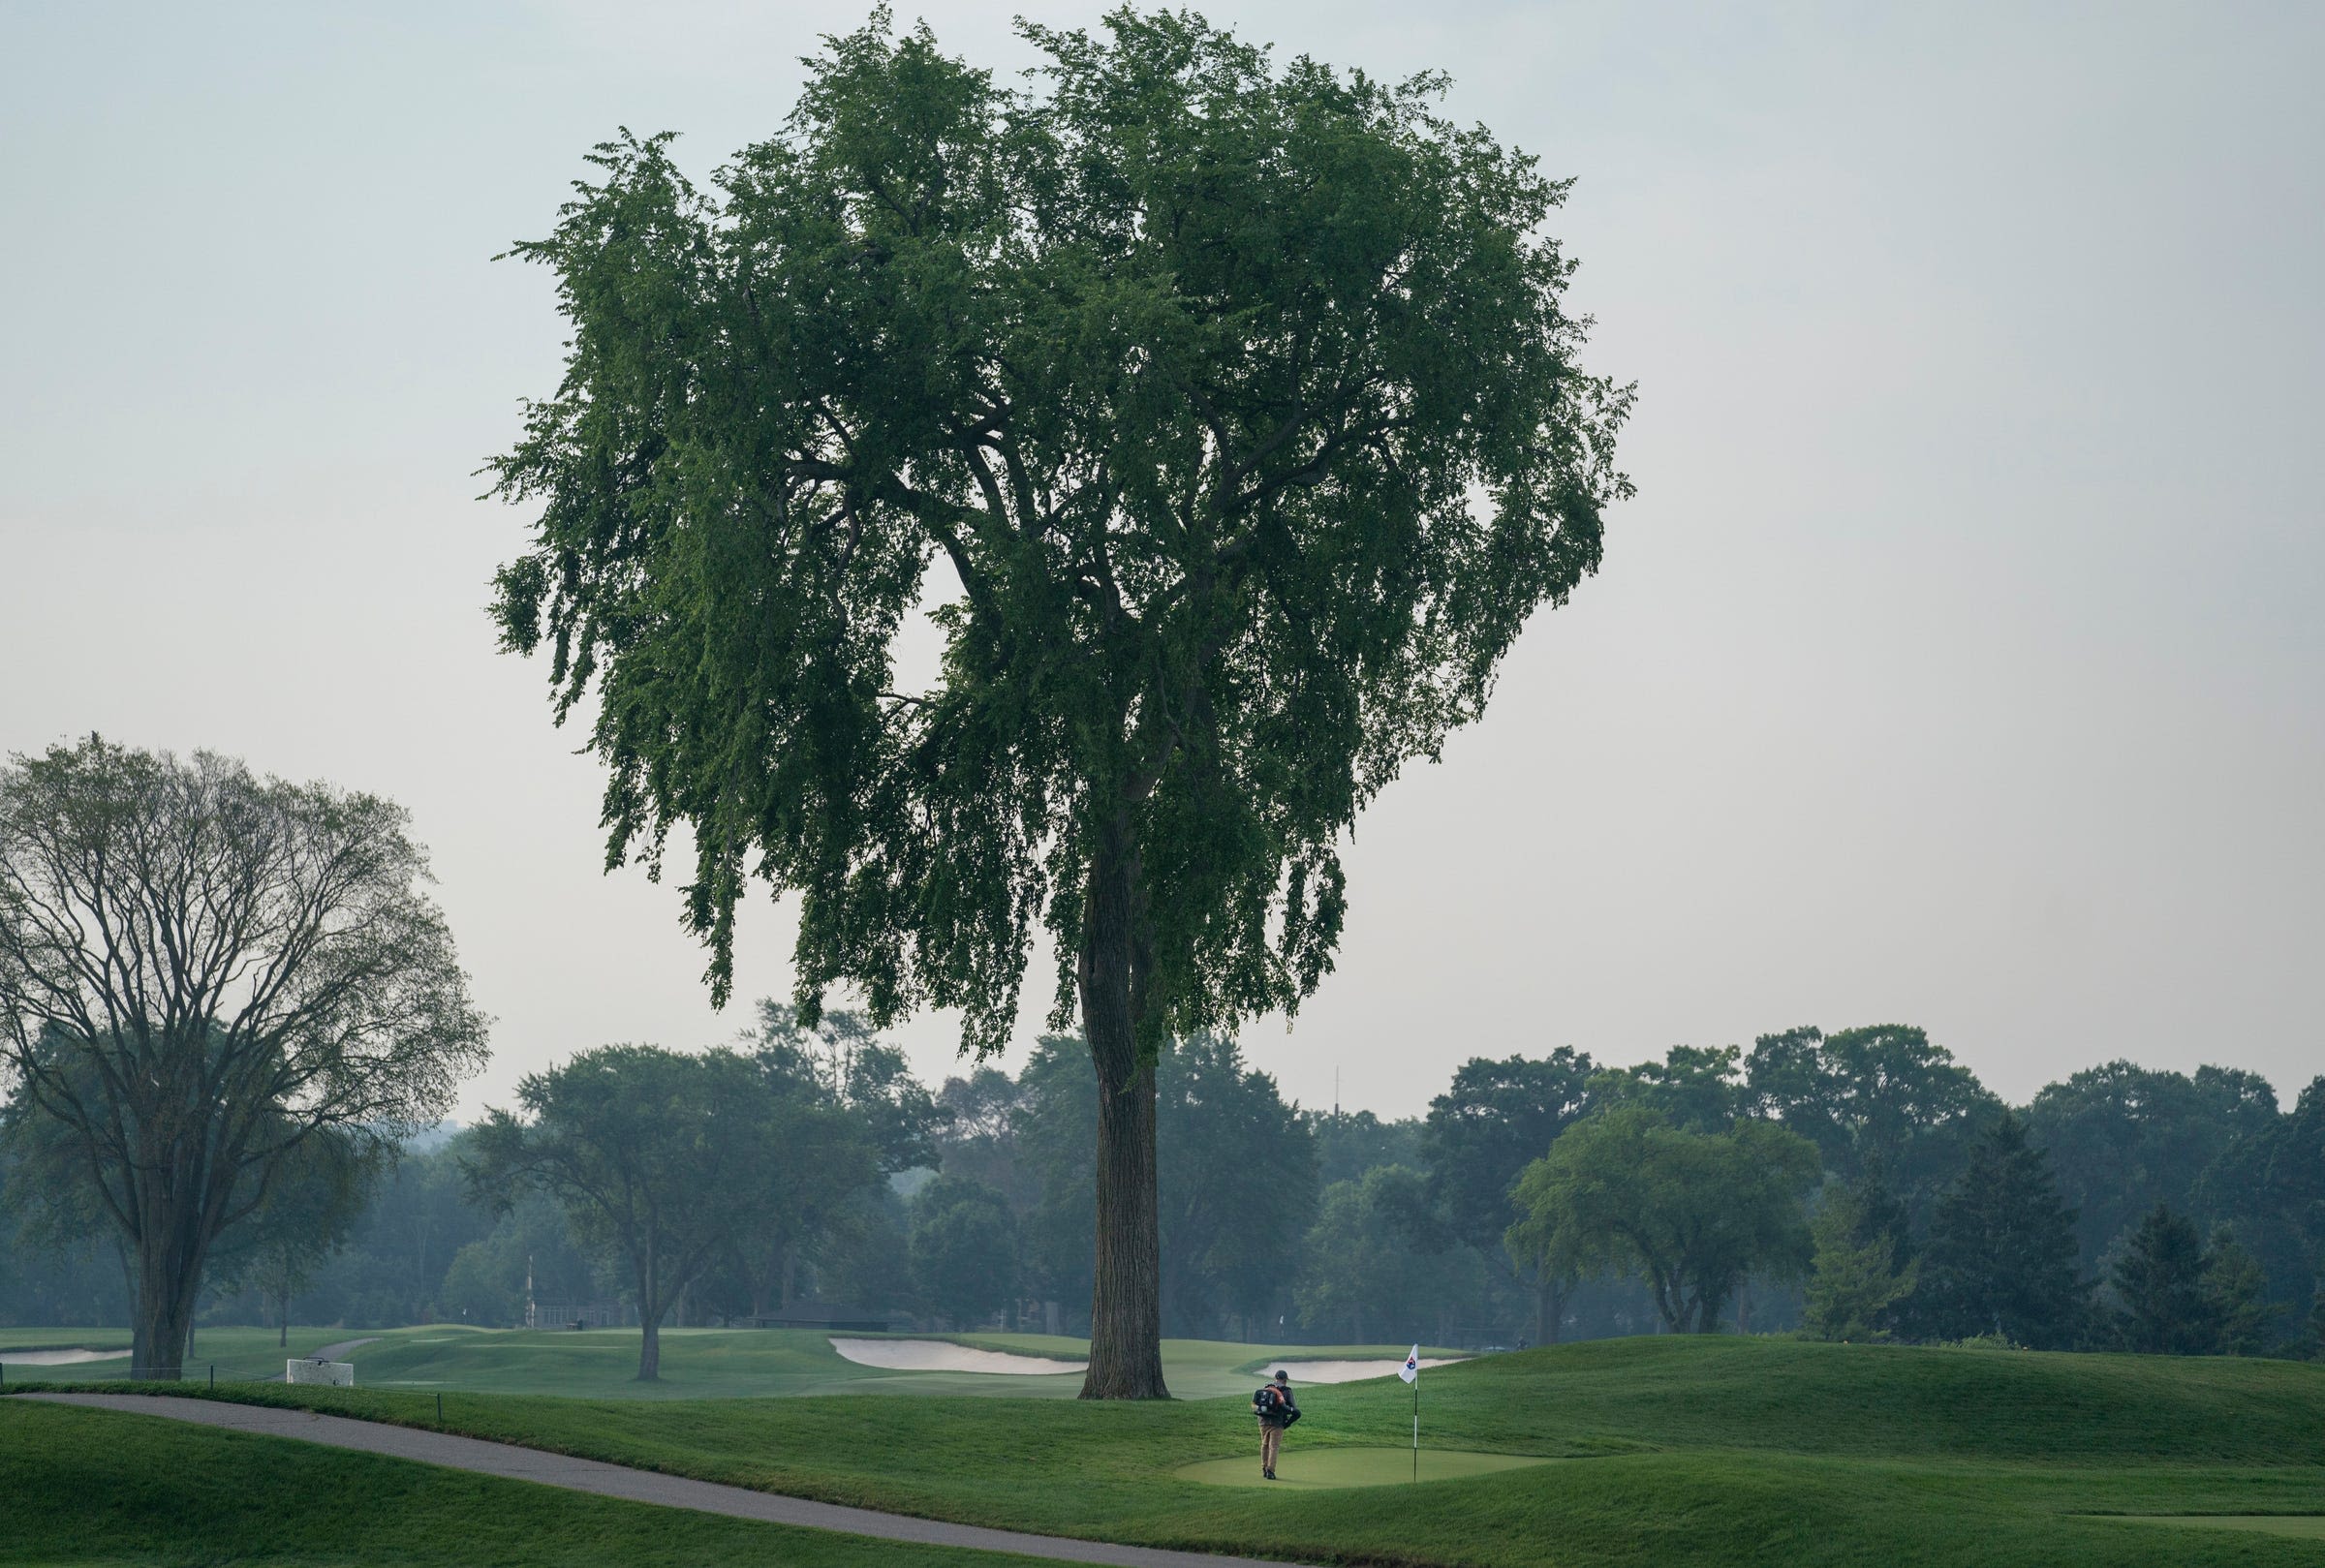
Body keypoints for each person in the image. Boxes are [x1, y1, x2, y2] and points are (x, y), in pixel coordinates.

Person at [1252, 1368, 1299, 1479]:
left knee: (1264, 1445)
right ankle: (1270, 1472)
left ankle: (1264, 1469)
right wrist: (1287, 1421)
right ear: (1285, 1380)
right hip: (1277, 1423)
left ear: (1275, 1378)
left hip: (1262, 1422)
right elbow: (1293, 1409)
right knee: (1274, 1447)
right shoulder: (1287, 1391)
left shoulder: (1266, 1388)